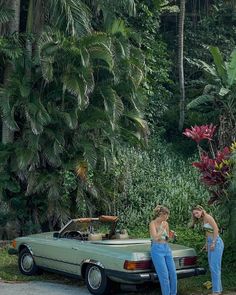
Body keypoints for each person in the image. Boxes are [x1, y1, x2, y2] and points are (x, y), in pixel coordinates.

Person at [191, 205, 224, 295]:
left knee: (214, 267)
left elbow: (216, 229)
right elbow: (207, 233)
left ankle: (216, 291)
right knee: (213, 267)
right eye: (194, 214)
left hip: (216, 242)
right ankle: (218, 289)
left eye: (197, 212)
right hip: (210, 242)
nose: (196, 215)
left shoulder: (208, 217)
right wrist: (206, 244)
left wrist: (213, 242)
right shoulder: (203, 219)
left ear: (201, 210)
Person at [149, 205, 177, 295]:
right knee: (164, 275)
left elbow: (167, 238)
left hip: (166, 248)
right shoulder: (152, 223)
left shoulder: (166, 223)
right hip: (157, 249)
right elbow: (155, 238)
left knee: (173, 273)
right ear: (161, 214)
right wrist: (161, 229)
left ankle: (173, 293)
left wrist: (172, 236)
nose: (167, 217)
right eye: (167, 215)